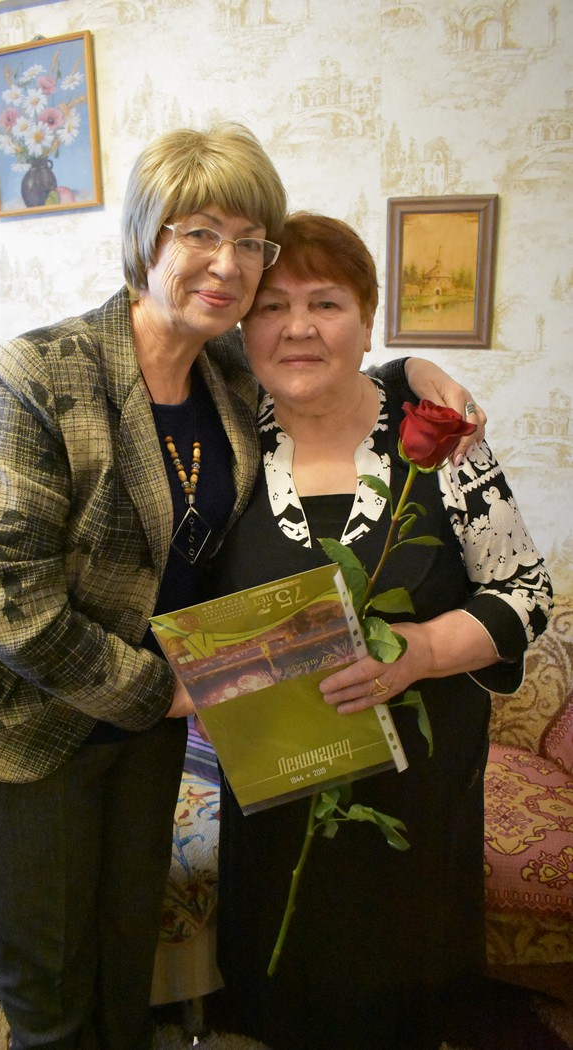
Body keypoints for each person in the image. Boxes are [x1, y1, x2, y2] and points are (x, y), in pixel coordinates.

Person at [0, 125, 482, 1050]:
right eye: (200, 233)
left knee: (124, 955)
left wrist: (422, 370)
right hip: (27, 718)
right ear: (146, 237)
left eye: (250, 242)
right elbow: (10, 602)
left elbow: (333, 356)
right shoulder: (42, 372)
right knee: (52, 985)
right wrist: (170, 692)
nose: (228, 264)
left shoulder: (227, 374)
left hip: (145, 729)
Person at [209, 213, 553, 1050]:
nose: (297, 327)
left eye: (326, 303)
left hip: (418, 792)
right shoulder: (221, 442)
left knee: (406, 999)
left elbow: (525, 593)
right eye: (271, 306)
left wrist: (421, 652)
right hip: (276, 785)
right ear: (243, 328)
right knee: (281, 987)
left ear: (367, 321)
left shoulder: (444, 439)